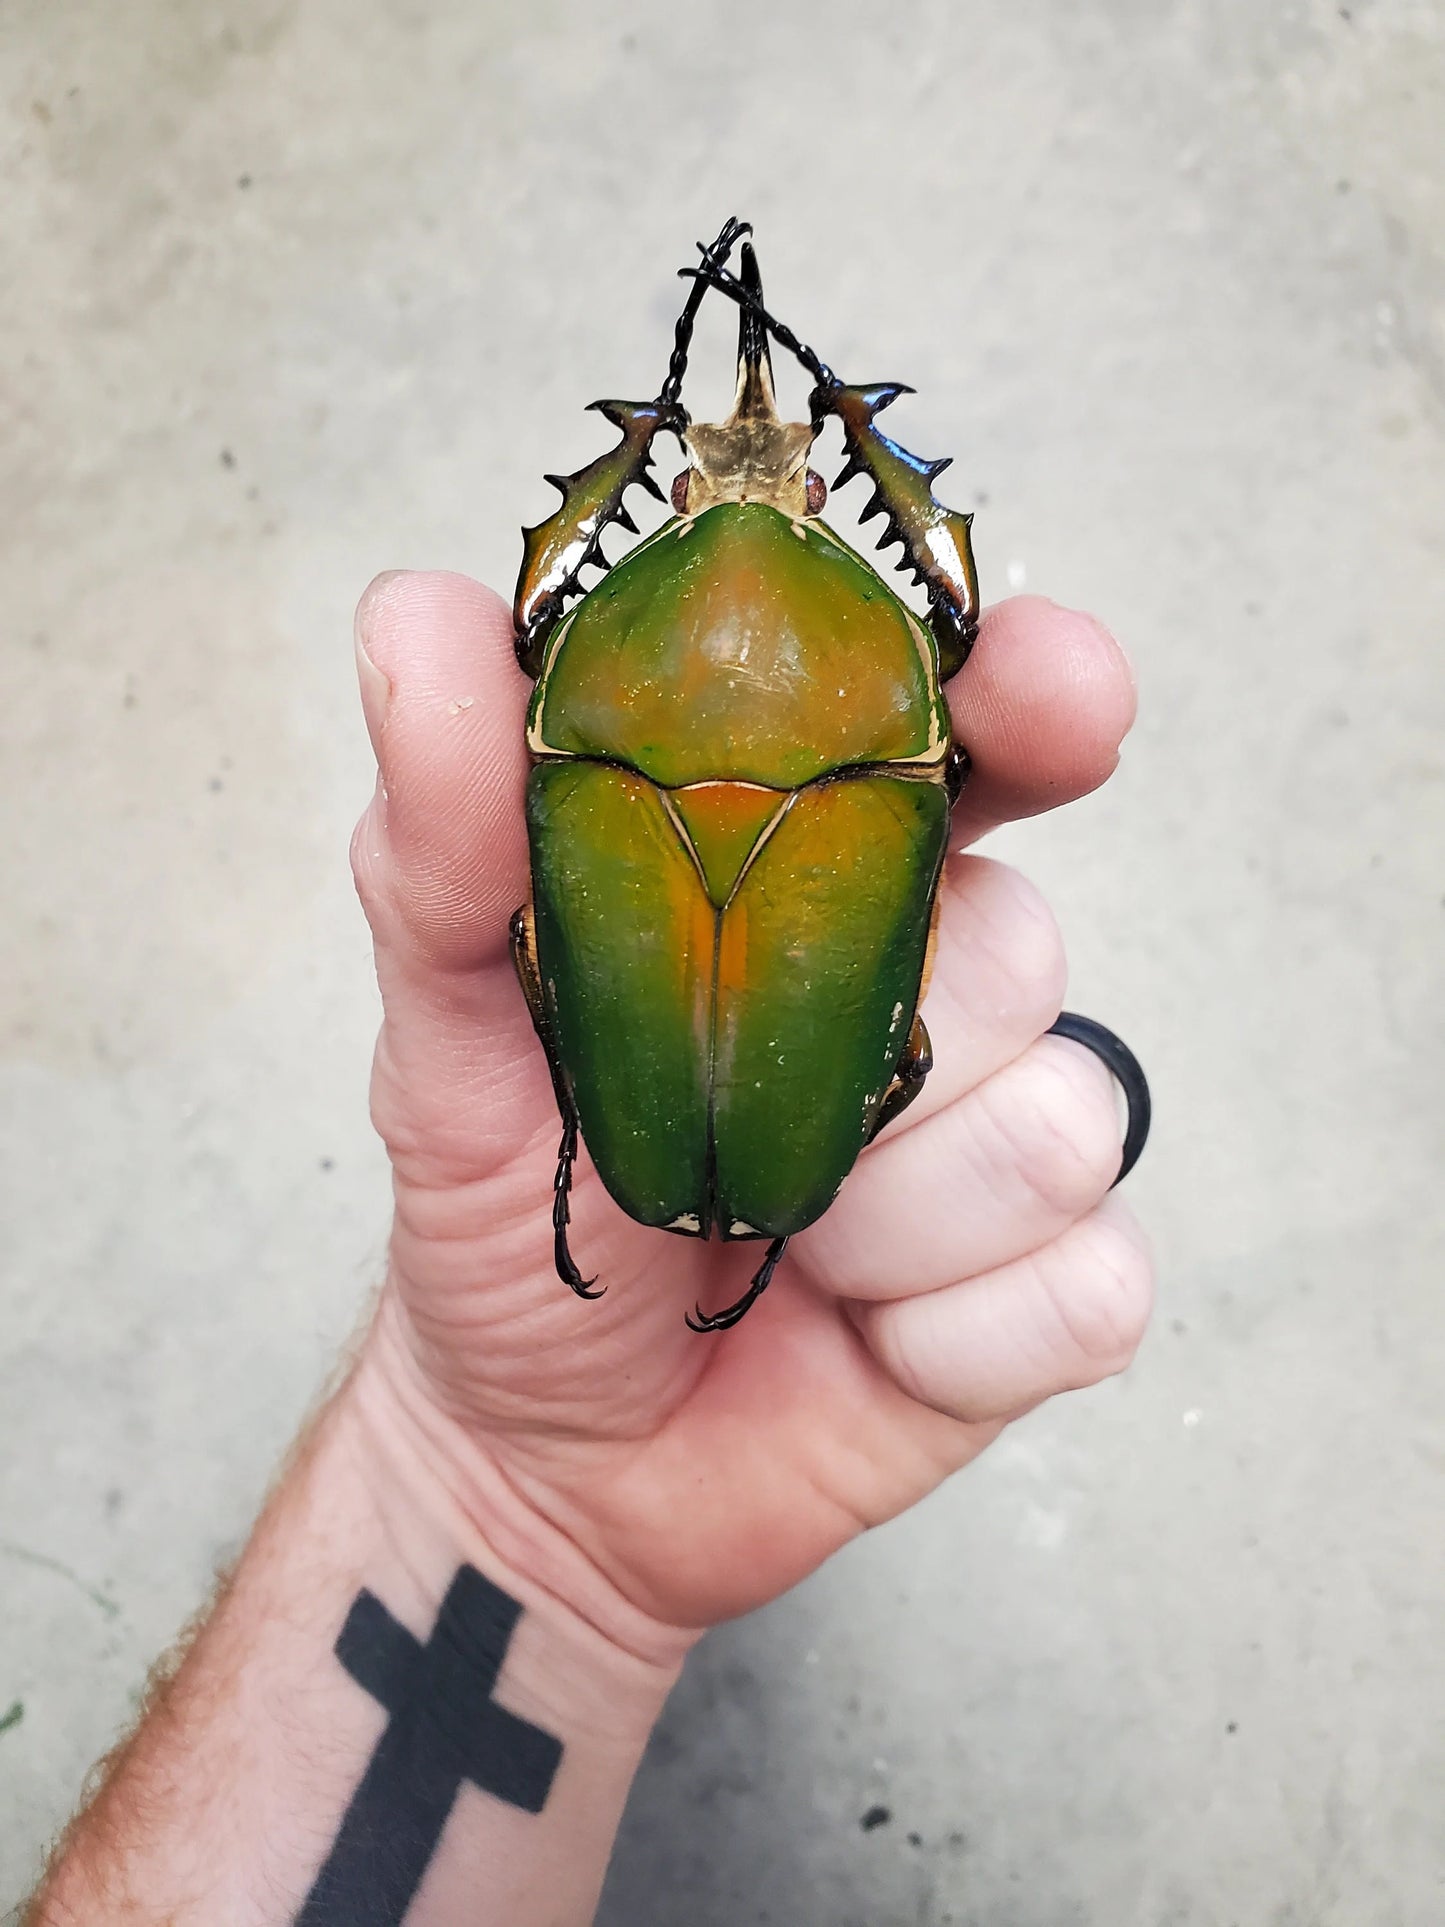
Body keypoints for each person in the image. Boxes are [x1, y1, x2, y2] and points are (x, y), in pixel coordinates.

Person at [27, 572, 1153, 1925]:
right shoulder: (873, 697)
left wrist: (502, 1506)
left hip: (685, 1009)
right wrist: (486, 1489)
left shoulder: (602, 688)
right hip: (794, 940)